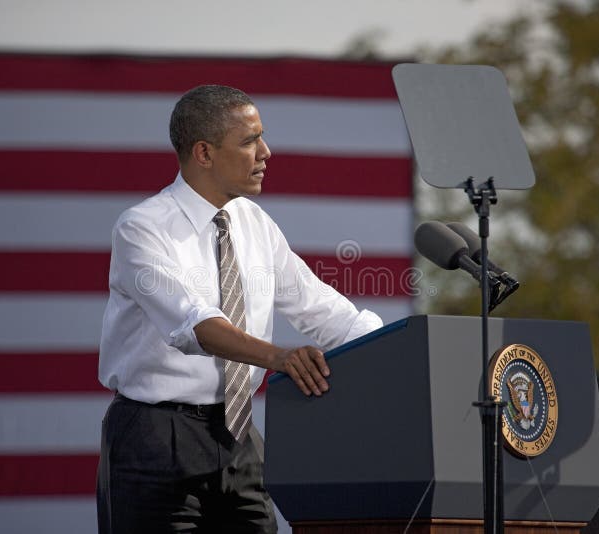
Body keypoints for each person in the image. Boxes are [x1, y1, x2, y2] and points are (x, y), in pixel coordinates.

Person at [96, 84, 383, 533]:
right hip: (155, 438)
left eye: (262, 137)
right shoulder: (142, 228)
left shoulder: (255, 223)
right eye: (249, 141)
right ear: (204, 153)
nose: (266, 152)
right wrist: (280, 358)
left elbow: (324, 311)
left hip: (240, 436)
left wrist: (400, 348)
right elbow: (198, 325)